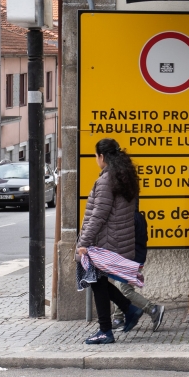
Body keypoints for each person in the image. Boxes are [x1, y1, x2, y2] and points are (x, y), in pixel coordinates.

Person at [76, 138, 143, 344]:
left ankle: (106, 331)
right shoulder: (126, 176)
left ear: (102, 157)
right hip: (119, 240)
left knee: (96, 282)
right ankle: (129, 310)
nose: (96, 160)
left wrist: (83, 244)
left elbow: (98, 216)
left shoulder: (106, 180)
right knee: (100, 282)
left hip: (105, 241)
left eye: (96, 156)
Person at [112, 206, 166, 331]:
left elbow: (124, 242)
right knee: (118, 286)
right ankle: (118, 318)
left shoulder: (129, 219)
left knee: (125, 289)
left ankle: (153, 309)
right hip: (134, 258)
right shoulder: (137, 216)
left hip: (131, 260)